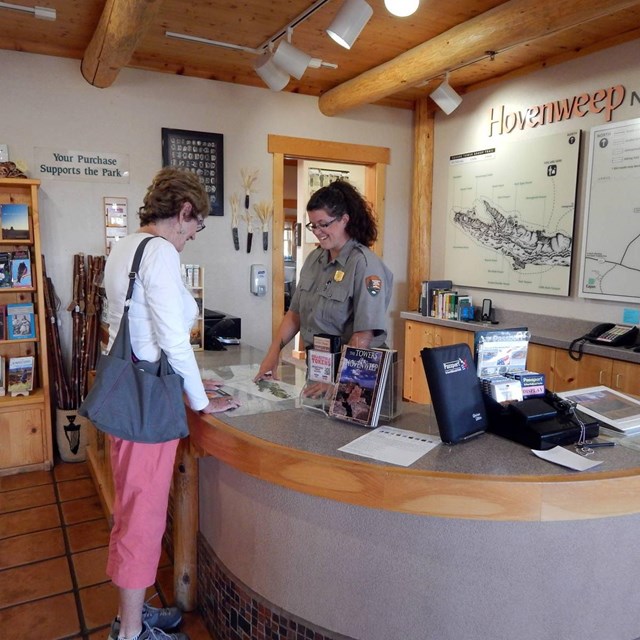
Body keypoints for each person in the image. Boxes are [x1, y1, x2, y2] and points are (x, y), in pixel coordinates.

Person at [103, 167, 239, 640]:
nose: (191, 238)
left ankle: (130, 615)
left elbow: (137, 329)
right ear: (183, 214)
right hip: (148, 403)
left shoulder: (125, 245)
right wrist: (201, 402)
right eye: (195, 227)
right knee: (142, 519)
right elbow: (173, 339)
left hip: (127, 395)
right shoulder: (159, 252)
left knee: (131, 511)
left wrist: (189, 383)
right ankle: (132, 634)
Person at [255, 180, 393, 384]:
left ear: (345, 220)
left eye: (324, 224)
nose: (317, 232)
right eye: (313, 225)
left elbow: (363, 334)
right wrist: (273, 353)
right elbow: (295, 314)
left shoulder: (364, 264)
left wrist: (340, 381)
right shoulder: (314, 259)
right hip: (320, 368)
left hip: (356, 376)